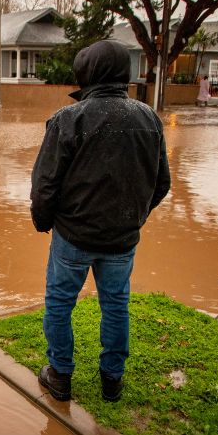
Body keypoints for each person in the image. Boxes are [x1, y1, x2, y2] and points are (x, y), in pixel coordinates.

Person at [30, 40, 171, 403]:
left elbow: (44, 183)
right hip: (122, 239)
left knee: (60, 305)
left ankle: (59, 375)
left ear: (87, 74)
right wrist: (134, 218)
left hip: (72, 237)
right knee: (116, 305)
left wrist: (44, 222)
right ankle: (113, 380)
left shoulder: (68, 119)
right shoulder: (149, 118)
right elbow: (161, 183)